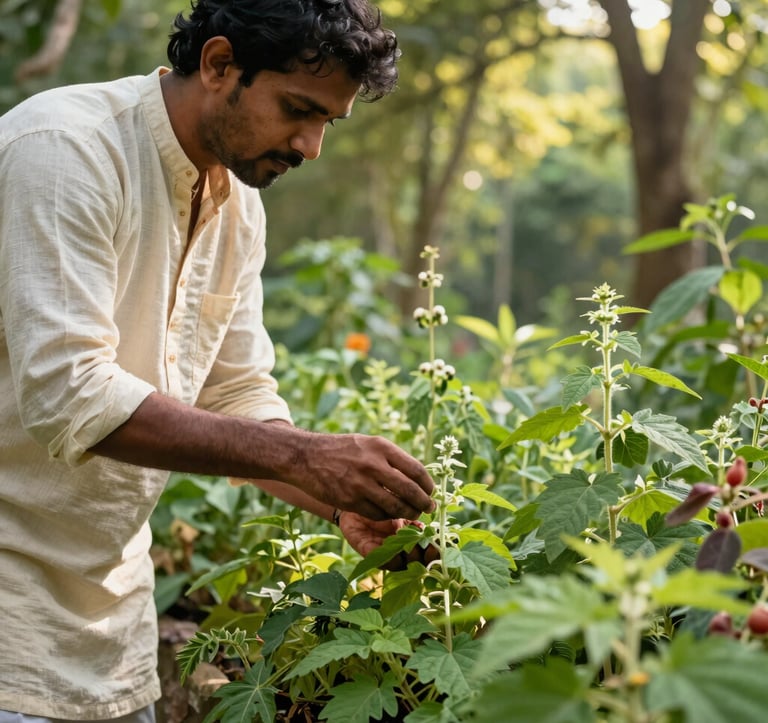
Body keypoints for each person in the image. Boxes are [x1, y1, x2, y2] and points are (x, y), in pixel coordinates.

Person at [0, 0, 435, 720]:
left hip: (113, 637)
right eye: (299, 108)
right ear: (219, 64)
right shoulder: (63, 150)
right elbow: (70, 394)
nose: (311, 144)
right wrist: (304, 455)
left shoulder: (238, 205)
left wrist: (338, 499)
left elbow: (234, 394)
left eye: (328, 120)